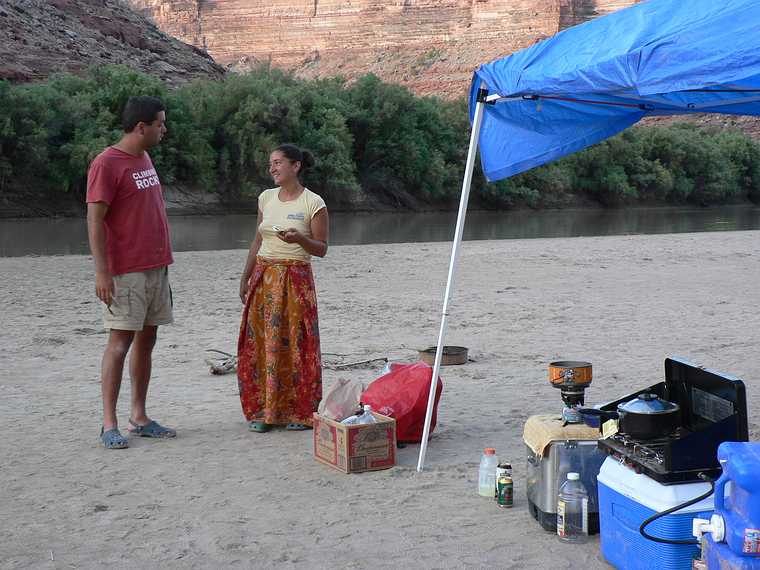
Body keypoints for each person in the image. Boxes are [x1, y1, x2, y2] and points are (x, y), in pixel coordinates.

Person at [86, 95, 177, 449]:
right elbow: (94, 220)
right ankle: (109, 423)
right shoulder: (107, 164)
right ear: (141, 127)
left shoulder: (144, 156)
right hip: (126, 271)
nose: (164, 129)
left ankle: (139, 416)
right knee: (119, 343)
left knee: (147, 340)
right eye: (160, 124)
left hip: (156, 267)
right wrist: (102, 273)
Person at [237, 144, 329, 432]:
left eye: (278, 163)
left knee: (297, 344)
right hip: (264, 278)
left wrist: (299, 240)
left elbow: (322, 248)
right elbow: (257, 240)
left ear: (295, 166)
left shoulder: (314, 203)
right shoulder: (266, 198)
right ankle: (265, 411)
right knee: (261, 344)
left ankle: (298, 411)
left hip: (295, 280)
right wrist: (245, 276)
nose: (272, 168)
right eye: (270, 164)